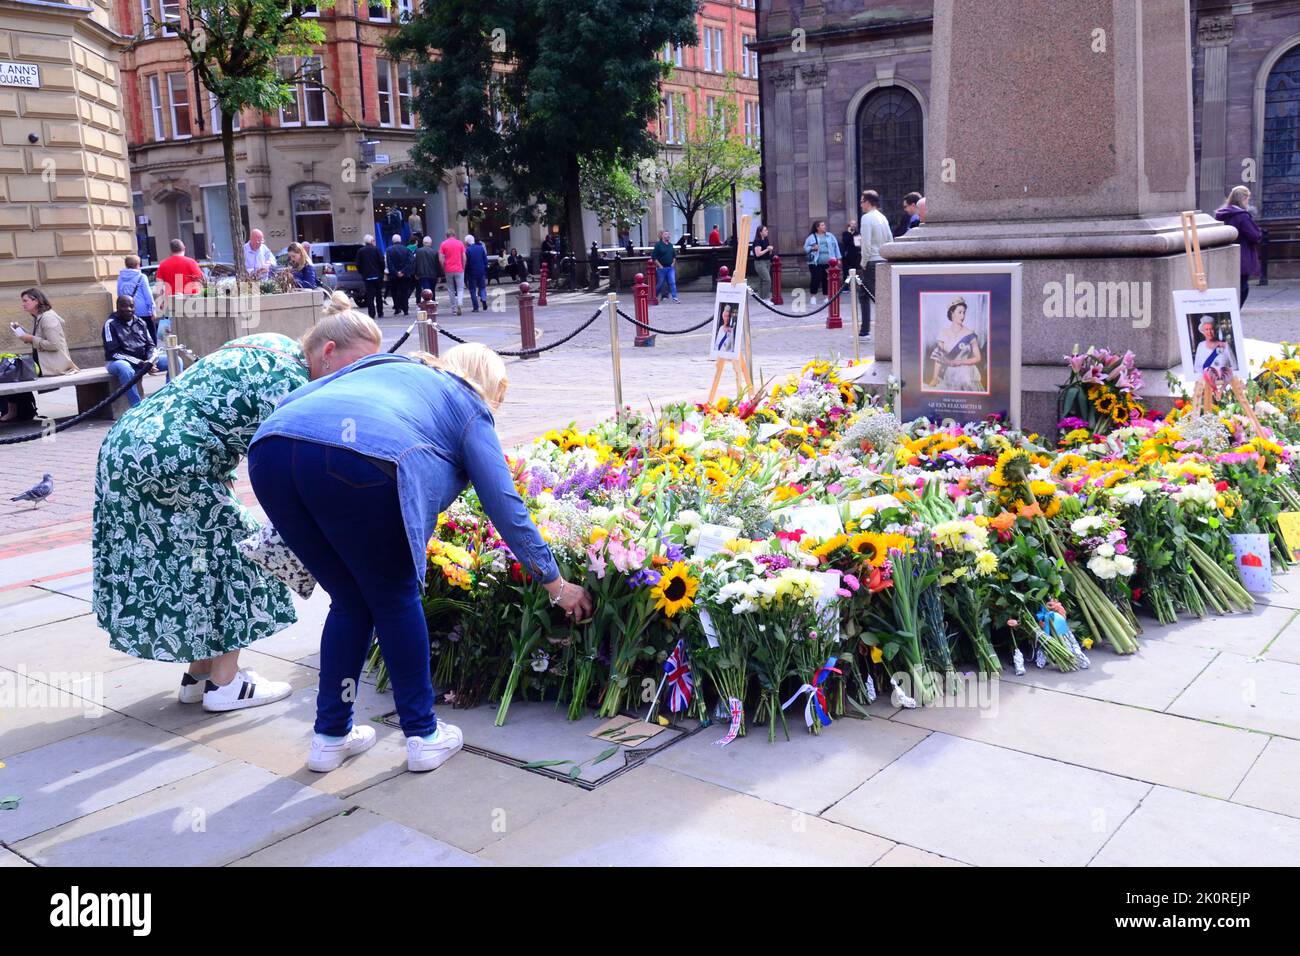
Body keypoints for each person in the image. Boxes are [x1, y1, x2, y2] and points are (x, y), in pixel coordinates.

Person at [248, 343, 594, 773]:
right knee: (395, 597)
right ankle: (423, 735)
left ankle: (330, 736)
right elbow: (504, 502)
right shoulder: (468, 402)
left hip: (270, 452)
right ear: (493, 386)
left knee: (351, 601)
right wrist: (554, 583)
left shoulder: (388, 363)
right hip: (362, 461)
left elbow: (295, 401)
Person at [92, 293, 383, 711]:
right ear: (329, 350)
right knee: (247, 554)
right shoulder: (293, 385)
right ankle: (226, 686)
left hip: (127, 448)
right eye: (352, 367)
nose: (353, 380)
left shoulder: (274, 343)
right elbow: (297, 468)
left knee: (201, 560)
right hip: (174, 461)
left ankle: (200, 674)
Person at [3, 288, 79, 422]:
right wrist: (24, 334)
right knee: (12, 370)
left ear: (36, 300)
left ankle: (14, 411)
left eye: (25, 301)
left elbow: (54, 345)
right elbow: (40, 340)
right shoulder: (40, 317)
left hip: (53, 366)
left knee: (13, 373)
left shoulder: (48, 318)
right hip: (42, 364)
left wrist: (31, 339)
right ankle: (20, 411)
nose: (23, 304)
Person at [102, 295, 156, 406]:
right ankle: (137, 408)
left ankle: (169, 400)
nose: (129, 309)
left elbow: (151, 345)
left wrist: (150, 361)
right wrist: (140, 363)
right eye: (124, 306)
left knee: (175, 360)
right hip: (117, 362)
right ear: (117, 307)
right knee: (125, 368)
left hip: (144, 361)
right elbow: (114, 353)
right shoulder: (110, 324)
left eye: (131, 306)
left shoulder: (141, 322)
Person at [1214, 185, 1263, 307]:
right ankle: (1234, 310)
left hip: (1225, 255)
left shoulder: (1222, 214)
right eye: (1247, 199)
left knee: (1230, 285)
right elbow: (1254, 235)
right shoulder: (1242, 216)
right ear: (1243, 199)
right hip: (1242, 255)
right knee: (1243, 287)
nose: (1248, 202)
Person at [926, 296, 983, 391]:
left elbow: (978, 358)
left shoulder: (970, 334)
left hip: (967, 375)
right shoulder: (943, 333)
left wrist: (961, 362)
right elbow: (938, 359)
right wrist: (934, 378)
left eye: (964, 312)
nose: (963, 316)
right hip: (950, 374)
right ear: (952, 313)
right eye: (960, 312)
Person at [859, 190, 893, 337]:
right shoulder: (882, 217)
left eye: (862, 202)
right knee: (872, 295)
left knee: (870, 296)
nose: (861, 205)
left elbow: (865, 243)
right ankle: (865, 330)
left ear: (867, 202)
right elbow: (890, 239)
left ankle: (866, 330)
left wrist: (863, 262)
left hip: (871, 260)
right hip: (883, 259)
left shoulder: (866, 218)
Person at [802, 220, 840, 306]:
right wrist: (812, 248)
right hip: (815, 262)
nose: (824, 226)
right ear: (817, 227)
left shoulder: (830, 236)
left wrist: (838, 258)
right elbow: (805, 248)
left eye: (824, 225)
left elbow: (836, 247)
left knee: (826, 280)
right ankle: (813, 297)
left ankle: (826, 297)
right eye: (822, 225)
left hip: (829, 261)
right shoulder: (811, 237)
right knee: (816, 278)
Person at [355, 234, 386, 319]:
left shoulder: (360, 251)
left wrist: (362, 273)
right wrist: (382, 272)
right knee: (379, 295)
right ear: (372, 241)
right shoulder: (377, 250)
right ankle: (380, 312)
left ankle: (371, 314)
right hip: (377, 276)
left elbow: (358, 264)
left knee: (370, 296)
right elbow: (381, 262)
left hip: (367, 277)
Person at [439, 229, 467, 316]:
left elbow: (441, 259)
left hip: (448, 269)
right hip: (459, 268)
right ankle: (460, 303)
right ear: (454, 235)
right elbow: (464, 257)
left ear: (447, 235)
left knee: (451, 289)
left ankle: (454, 308)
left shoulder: (443, 244)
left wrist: (443, 268)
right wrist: (463, 267)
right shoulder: (460, 243)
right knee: (460, 288)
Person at [386, 233, 414, 316]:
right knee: (404, 292)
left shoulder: (389, 250)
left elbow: (389, 263)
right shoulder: (406, 249)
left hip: (393, 275)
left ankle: (397, 308)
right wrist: (403, 271)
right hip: (405, 275)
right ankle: (405, 309)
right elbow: (410, 262)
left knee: (394, 292)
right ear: (400, 240)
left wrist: (395, 272)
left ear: (392, 241)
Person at [652, 230, 680, 304]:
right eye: (666, 234)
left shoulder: (670, 245)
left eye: (668, 234)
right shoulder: (658, 245)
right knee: (660, 284)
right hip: (661, 268)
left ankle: (675, 298)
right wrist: (660, 265)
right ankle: (654, 296)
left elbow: (674, 256)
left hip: (670, 268)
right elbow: (654, 257)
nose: (668, 236)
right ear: (662, 236)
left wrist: (673, 263)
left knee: (672, 282)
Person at [464, 233, 489, 312]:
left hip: (471, 272)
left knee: (472, 290)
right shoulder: (481, 248)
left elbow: (466, 262)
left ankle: (476, 307)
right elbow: (485, 260)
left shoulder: (467, 250)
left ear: (467, 242)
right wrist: (484, 267)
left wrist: (466, 271)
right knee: (482, 287)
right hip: (481, 271)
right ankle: (484, 299)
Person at [751, 225, 774, 300]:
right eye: (765, 230)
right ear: (760, 232)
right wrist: (767, 249)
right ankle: (765, 298)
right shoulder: (757, 241)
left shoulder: (766, 239)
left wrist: (770, 250)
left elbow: (768, 253)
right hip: (760, 263)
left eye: (766, 230)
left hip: (767, 261)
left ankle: (760, 299)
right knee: (767, 280)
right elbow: (758, 254)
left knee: (761, 280)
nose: (767, 231)